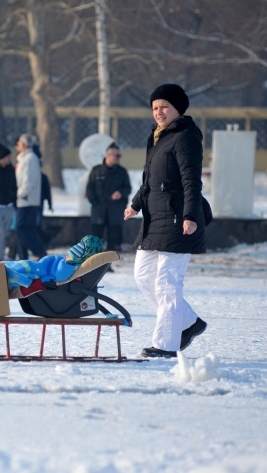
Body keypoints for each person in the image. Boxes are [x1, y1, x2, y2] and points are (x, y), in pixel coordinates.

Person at [124, 84, 208, 358]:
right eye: (155, 108)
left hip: (178, 217)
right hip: (154, 218)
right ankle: (188, 322)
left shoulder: (186, 137)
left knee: (167, 283)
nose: (159, 112)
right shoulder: (159, 136)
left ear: (177, 109)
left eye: (164, 107)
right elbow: (151, 179)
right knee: (143, 277)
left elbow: (191, 181)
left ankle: (166, 344)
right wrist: (136, 204)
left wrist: (191, 216)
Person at [86, 142, 131, 258]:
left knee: (113, 238)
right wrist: (94, 202)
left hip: (115, 210)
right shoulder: (96, 171)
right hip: (99, 210)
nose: (118, 158)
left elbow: (128, 188)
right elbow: (90, 188)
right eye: (117, 156)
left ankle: (108, 263)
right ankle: (93, 261)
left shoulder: (122, 172)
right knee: (96, 238)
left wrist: (120, 193)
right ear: (109, 156)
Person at [15, 134, 47, 260]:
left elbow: (29, 179)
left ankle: (39, 252)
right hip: (25, 199)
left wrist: (22, 193)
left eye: (18, 143)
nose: (17, 145)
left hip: (27, 200)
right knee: (26, 229)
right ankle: (23, 256)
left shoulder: (30, 159)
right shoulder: (25, 158)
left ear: (23, 144)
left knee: (21, 228)